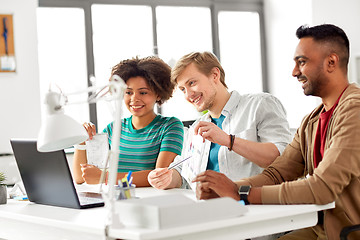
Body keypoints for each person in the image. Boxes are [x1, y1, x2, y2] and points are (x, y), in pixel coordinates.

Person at [193, 24, 360, 240]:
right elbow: (277, 174)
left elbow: (323, 188)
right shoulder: (312, 121)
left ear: (331, 62)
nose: (294, 72)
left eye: (302, 62)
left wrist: (241, 194)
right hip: (321, 228)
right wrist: (225, 189)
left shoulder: (354, 110)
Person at [148, 51, 292, 191]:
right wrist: (167, 178)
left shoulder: (259, 105)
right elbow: (184, 173)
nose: (189, 94)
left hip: (254, 206)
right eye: (183, 89)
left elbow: (283, 159)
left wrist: (229, 140)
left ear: (215, 75)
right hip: (210, 208)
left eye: (192, 83)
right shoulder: (196, 129)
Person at [73, 56, 184, 187]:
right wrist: (81, 142)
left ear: (158, 94)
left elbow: (158, 177)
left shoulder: (170, 126)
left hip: (151, 201)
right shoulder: (113, 129)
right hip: (119, 199)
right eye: (128, 92)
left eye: (143, 93)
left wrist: (105, 177)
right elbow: (80, 178)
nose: (134, 99)